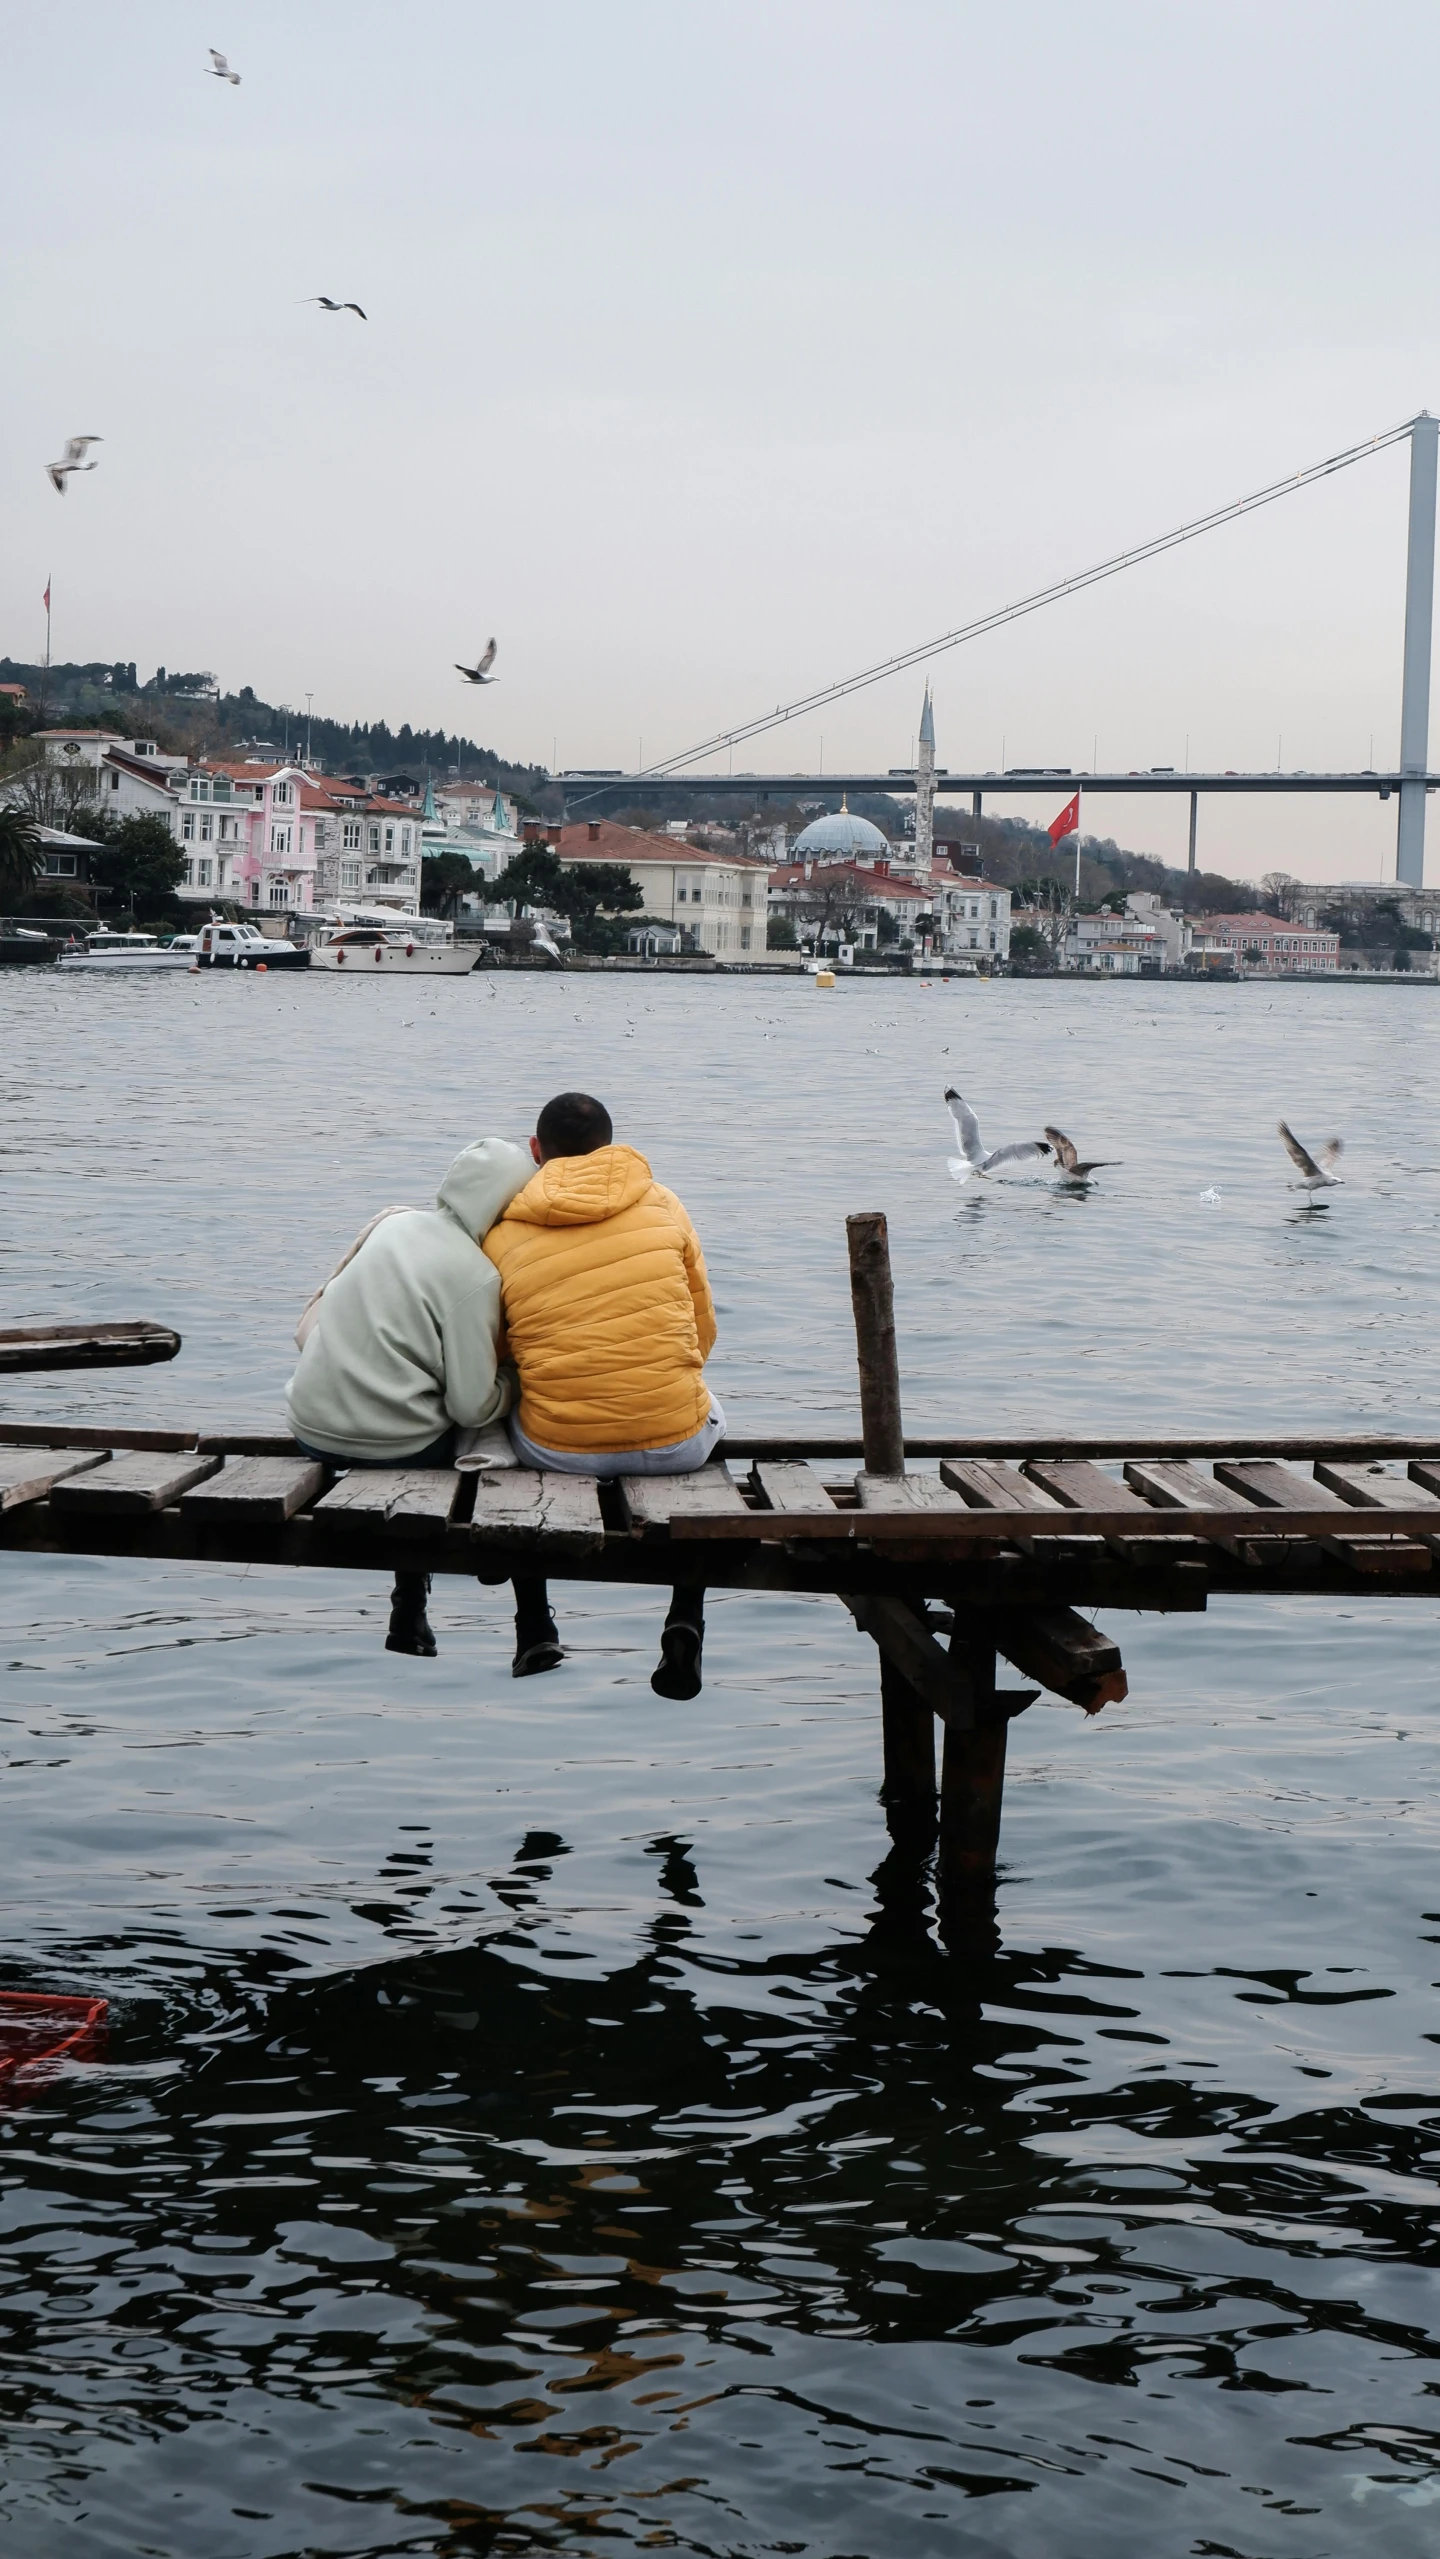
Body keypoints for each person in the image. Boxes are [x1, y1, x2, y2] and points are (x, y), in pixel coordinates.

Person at [484, 1090, 723, 1700]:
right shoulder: (664, 1203)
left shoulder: (505, 1226)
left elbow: (500, 1354)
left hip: (557, 1450)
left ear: (536, 1151)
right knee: (708, 1408)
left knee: (506, 1411)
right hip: (678, 1446)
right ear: (610, 1149)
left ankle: (533, 1623)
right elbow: (703, 1331)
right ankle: (685, 1617)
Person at [286, 1137, 539, 1662]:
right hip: (393, 1447)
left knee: (419, 1406)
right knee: (486, 1428)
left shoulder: (392, 1227)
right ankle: (530, 1616)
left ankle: (410, 1599)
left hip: (310, 1429)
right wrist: (517, 1382)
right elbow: (471, 1405)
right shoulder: (477, 1275)